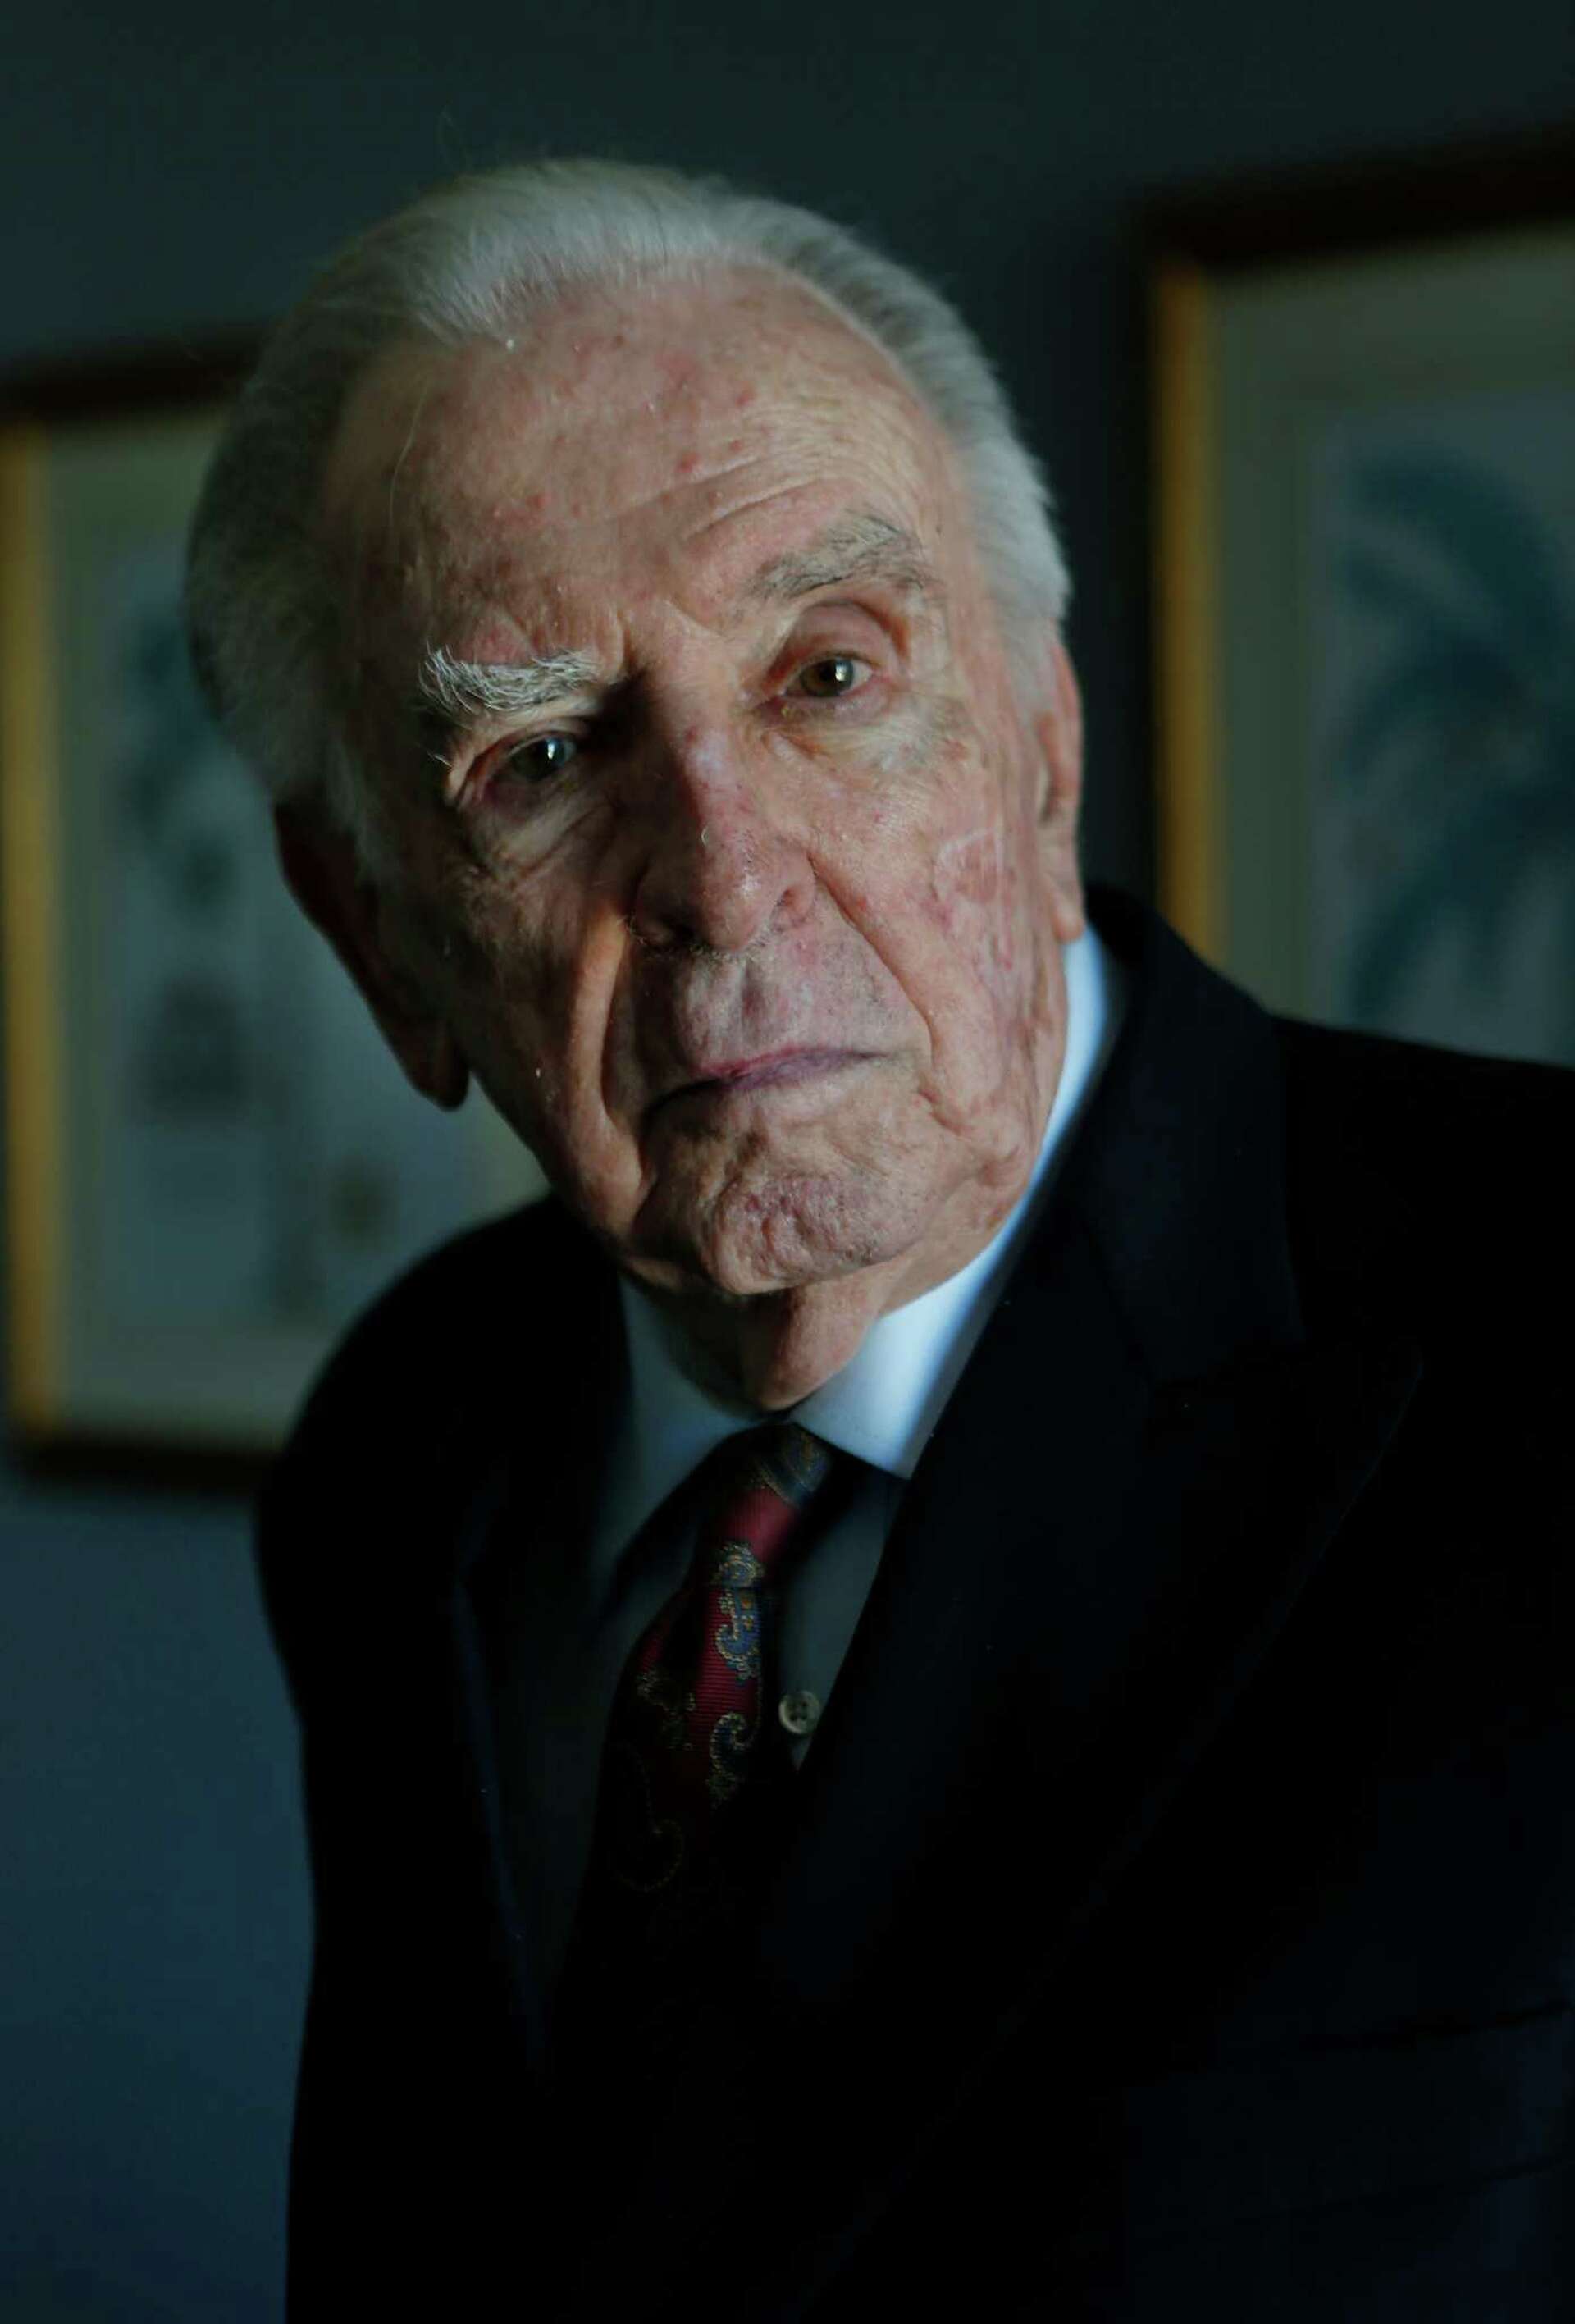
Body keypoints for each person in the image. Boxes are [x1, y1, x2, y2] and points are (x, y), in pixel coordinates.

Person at [185, 161, 1574, 2322]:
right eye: (541, 755)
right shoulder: (402, 1445)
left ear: (1043, 744)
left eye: (830, 671)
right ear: (374, 934)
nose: (727, 876)